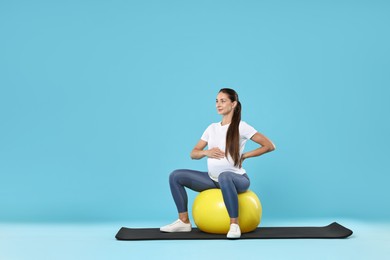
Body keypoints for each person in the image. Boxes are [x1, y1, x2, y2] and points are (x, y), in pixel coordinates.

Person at [160, 88, 275, 238]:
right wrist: (206, 152)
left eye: (223, 101)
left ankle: (234, 224)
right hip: (212, 179)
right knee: (175, 176)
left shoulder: (242, 126)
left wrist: (245, 155)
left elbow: (269, 146)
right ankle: (183, 222)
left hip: (237, 179)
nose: (218, 104)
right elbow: (193, 153)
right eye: (216, 101)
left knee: (225, 176)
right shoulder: (211, 128)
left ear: (233, 104)